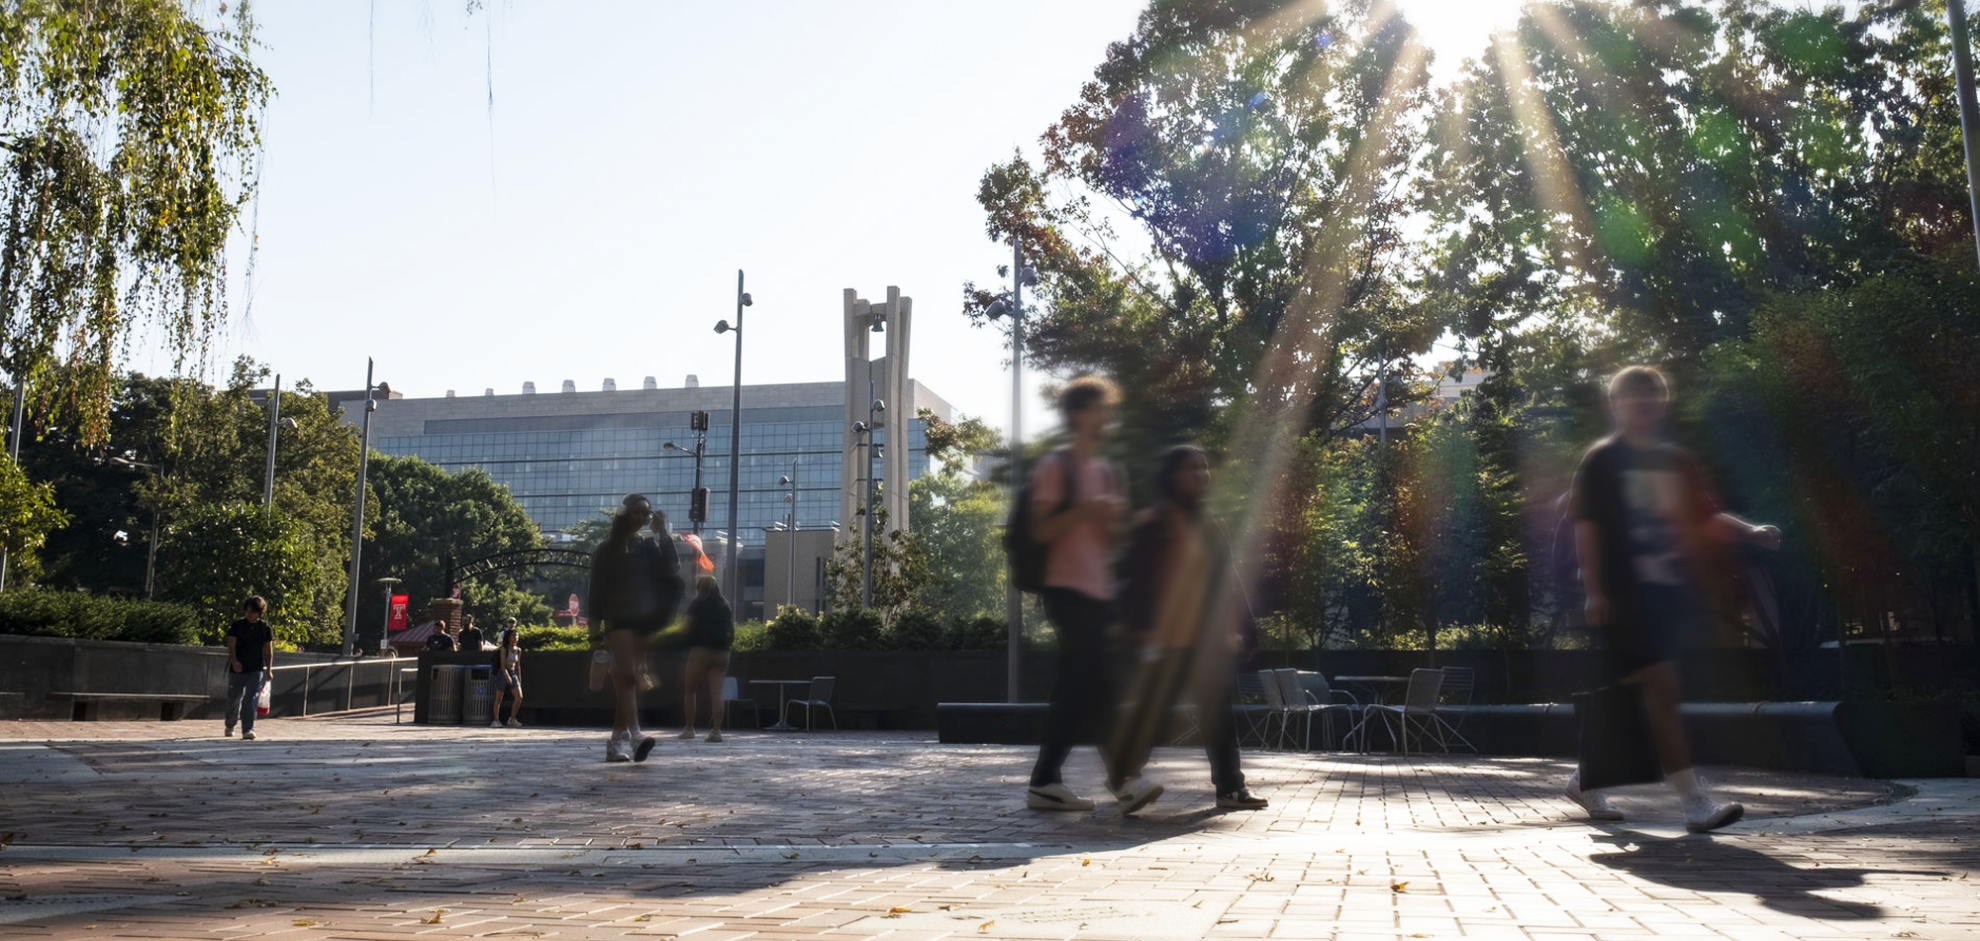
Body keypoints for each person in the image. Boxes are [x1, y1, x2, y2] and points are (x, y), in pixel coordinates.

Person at [1564, 365, 1783, 833]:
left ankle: (1584, 779)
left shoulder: (1675, 461)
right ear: (1615, 405)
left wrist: (1751, 533)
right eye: (1632, 395)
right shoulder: (1602, 460)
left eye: (1652, 394)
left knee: (1639, 699)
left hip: (1666, 597)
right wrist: (1595, 589)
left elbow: (1704, 517)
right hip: (1623, 598)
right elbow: (1588, 528)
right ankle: (1693, 801)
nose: (1643, 401)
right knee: (1663, 691)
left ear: (1662, 404)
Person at [1023, 375, 1158, 814]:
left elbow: (1111, 539)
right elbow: (1041, 529)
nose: (1109, 418)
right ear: (1079, 414)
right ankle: (1121, 779)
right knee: (1094, 686)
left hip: (1100, 594)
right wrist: (1086, 508)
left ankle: (1048, 780)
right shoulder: (1056, 467)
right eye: (1102, 409)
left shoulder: (1107, 471)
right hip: (1067, 592)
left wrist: (1119, 524)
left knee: (1082, 690)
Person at [1109, 446, 1268, 811]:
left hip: (1207, 641)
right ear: (1171, 475)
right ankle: (1124, 777)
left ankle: (1230, 788)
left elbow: (1228, 578)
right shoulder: (1155, 521)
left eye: (1204, 467)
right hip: (1165, 640)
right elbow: (1133, 579)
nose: (1201, 474)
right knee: (1154, 712)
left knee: (1219, 716)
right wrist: (1138, 628)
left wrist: (1247, 628)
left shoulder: (1210, 522)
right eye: (1191, 468)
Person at [588, 494, 670, 763]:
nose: (644, 517)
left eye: (647, 513)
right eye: (638, 512)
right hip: (617, 621)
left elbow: (671, 569)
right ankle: (635, 737)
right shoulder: (607, 549)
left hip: (642, 622)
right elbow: (595, 591)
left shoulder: (647, 547)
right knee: (629, 677)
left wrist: (663, 534)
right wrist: (594, 631)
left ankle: (614, 744)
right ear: (625, 514)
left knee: (629, 678)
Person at [678, 575, 734, 742]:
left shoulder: (697, 603)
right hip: (722, 653)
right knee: (717, 693)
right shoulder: (725, 604)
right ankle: (716, 731)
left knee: (690, 689)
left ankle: (689, 728)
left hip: (700, 652)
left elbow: (685, 626)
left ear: (699, 588)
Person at [637, 510, 685, 692]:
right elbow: (673, 565)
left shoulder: (632, 552)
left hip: (637, 615)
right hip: (649, 613)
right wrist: (661, 532)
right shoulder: (648, 556)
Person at [224, 596, 275, 741]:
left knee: (250, 698)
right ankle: (230, 724)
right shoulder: (237, 626)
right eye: (247, 611)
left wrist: (269, 669)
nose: (249, 615)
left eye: (252, 612)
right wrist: (234, 661)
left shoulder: (264, 628)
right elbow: (231, 645)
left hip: (256, 668)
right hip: (238, 667)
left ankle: (248, 728)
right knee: (233, 697)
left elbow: (268, 650)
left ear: (259, 612)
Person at [490, 626, 523, 728]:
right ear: (509, 637)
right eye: (514, 635)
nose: (516, 637)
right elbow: (503, 665)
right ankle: (495, 720)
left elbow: (518, 665)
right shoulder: (504, 649)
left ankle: (512, 718)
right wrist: (506, 676)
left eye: (517, 635)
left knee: (519, 697)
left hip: (513, 672)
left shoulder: (518, 650)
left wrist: (519, 677)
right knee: (499, 697)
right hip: (503, 673)